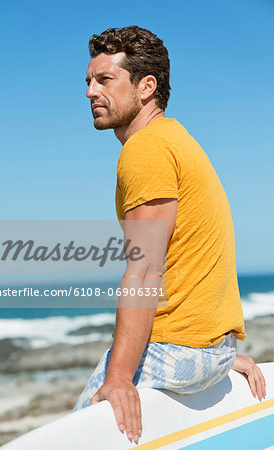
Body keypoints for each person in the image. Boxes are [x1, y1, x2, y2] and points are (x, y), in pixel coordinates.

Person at [73, 26, 266, 444]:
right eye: (88, 81)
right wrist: (217, 355)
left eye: (104, 80)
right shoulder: (179, 139)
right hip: (213, 350)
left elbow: (144, 270)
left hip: (178, 351)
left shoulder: (145, 150)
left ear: (146, 87)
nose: (90, 92)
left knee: (78, 431)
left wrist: (121, 377)